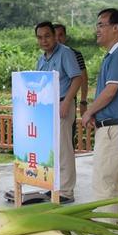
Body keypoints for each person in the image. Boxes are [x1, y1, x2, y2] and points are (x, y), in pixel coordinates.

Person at [81, 8, 118, 218]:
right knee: (115, 186)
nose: (97, 29)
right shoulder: (113, 54)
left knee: (102, 184)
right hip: (113, 126)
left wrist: (89, 112)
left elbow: (111, 90)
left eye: (101, 25)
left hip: (115, 128)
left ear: (116, 28)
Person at [36, 21, 82, 203]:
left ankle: (66, 191)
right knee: (52, 150)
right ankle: (54, 186)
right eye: (40, 37)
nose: (44, 40)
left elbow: (77, 78)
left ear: (55, 36)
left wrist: (67, 102)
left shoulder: (65, 53)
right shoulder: (42, 58)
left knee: (64, 150)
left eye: (47, 36)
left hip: (63, 105)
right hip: (47, 109)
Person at [54, 23, 89, 144]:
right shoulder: (45, 56)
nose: (58, 38)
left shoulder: (74, 53)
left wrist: (83, 101)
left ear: (65, 36)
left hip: (66, 104)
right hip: (49, 106)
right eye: (55, 35)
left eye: (61, 35)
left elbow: (82, 78)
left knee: (66, 141)